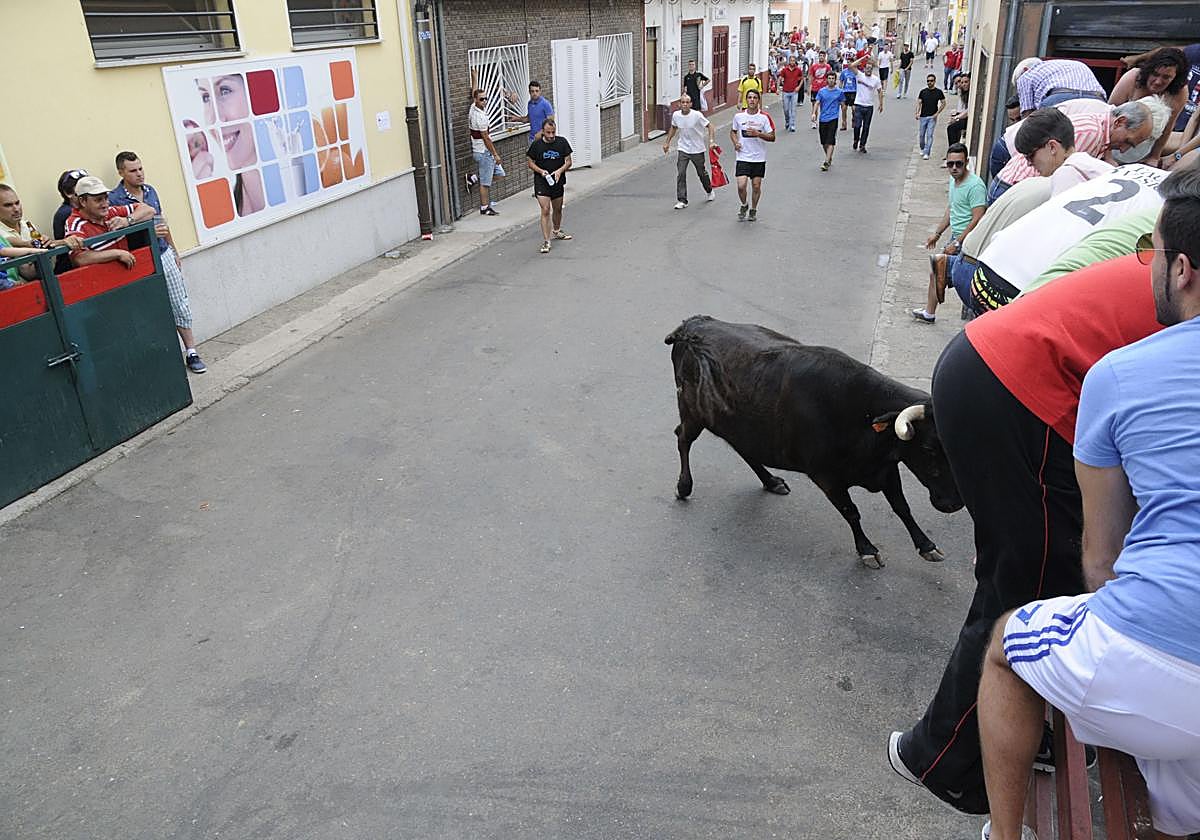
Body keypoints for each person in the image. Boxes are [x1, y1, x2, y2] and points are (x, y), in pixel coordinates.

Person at [976, 165, 1200, 840]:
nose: (1147, 266)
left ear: (1183, 268)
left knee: (1003, 647)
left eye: (1150, 253)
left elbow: (1103, 560)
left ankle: (1004, 837)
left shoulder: (1122, 374)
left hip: (1157, 658)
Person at [970, 164, 1168, 312]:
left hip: (988, 264)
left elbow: (1075, 160)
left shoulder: (1131, 168)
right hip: (1025, 288)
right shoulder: (1170, 206)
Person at [109, 151, 206, 374]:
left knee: (178, 300)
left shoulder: (150, 191)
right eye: (133, 171)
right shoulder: (114, 199)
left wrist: (174, 249)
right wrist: (136, 225)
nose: (139, 174)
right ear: (121, 172)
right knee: (149, 307)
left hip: (163, 253)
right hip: (139, 259)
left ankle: (191, 351)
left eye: (140, 168)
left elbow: (161, 220)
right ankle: (162, 355)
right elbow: (117, 234)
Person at [990, 99, 1170, 202]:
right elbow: (1060, 183)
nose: (1123, 150)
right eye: (1128, 142)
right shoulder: (1091, 132)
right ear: (1119, 122)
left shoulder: (1098, 130)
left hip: (1013, 186)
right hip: (1013, 188)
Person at [912, 143, 986, 321]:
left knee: (958, 278)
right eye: (950, 164)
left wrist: (957, 243)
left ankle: (935, 313)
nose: (954, 168)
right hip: (957, 237)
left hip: (969, 242)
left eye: (958, 164)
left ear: (966, 162)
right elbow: (952, 209)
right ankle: (930, 312)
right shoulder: (954, 181)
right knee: (937, 271)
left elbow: (978, 219)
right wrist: (937, 233)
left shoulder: (975, 186)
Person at [1108, 48, 1190, 164]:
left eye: (1166, 77)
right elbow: (1108, 115)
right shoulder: (1132, 77)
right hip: (1115, 142)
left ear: (1175, 78)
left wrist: (1154, 157)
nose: (1157, 81)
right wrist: (1106, 154)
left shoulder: (1180, 92)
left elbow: (1168, 128)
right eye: (1155, 74)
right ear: (1148, 70)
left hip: (1143, 148)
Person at [65, 175, 154, 270]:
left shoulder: (112, 211)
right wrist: (117, 253)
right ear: (82, 201)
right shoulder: (75, 223)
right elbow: (80, 258)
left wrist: (127, 220)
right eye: (98, 200)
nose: (105, 204)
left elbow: (149, 210)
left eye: (106, 198)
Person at [525, 117, 573, 254]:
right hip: (542, 181)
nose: (551, 136)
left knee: (557, 209)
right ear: (543, 132)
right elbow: (529, 162)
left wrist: (560, 170)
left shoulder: (562, 142)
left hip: (557, 181)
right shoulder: (536, 145)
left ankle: (556, 230)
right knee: (545, 209)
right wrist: (541, 171)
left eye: (553, 132)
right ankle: (547, 241)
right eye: (548, 133)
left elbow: (568, 161)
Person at [662, 93, 715, 209]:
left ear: (691, 104)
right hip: (683, 148)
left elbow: (710, 126)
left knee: (701, 173)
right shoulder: (676, 115)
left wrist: (711, 141)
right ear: (679, 104)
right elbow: (673, 128)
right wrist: (667, 142)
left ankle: (709, 190)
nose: (685, 104)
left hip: (697, 149)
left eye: (687, 102)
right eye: (683, 102)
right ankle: (682, 200)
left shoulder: (697, 115)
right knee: (681, 173)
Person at [730, 88, 775, 221]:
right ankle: (744, 205)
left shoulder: (764, 118)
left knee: (756, 186)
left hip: (758, 158)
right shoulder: (739, 117)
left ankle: (753, 209)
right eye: (749, 97)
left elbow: (772, 137)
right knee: (741, 186)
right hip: (743, 156)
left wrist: (758, 134)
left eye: (755, 98)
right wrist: (735, 142)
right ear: (746, 99)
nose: (752, 100)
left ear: (758, 101)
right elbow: (732, 132)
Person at [1012, 57, 1106, 116]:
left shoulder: (1026, 75)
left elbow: (1027, 114)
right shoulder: (1074, 64)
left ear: (1025, 70)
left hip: (1060, 99)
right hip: (1097, 101)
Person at [467, 88, 506, 216]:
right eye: (481, 99)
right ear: (476, 100)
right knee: (485, 183)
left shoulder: (473, 108)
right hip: (484, 152)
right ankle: (484, 207)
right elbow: (486, 138)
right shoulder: (479, 117)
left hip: (482, 152)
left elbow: (475, 90)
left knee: (500, 174)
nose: (485, 101)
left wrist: (474, 77)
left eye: (486, 98)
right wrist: (495, 154)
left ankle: (473, 178)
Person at [815, 72, 845, 172]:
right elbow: (817, 102)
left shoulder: (839, 92)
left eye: (833, 78)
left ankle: (826, 162)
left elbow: (842, 104)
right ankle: (829, 156)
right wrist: (814, 113)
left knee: (831, 140)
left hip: (833, 118)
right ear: (826, 80)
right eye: (829, 78)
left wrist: (844, 119)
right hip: (823, 118)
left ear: (835, 80)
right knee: (824, 142)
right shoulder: (822, 91)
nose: (831, 80)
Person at [852, 59, 883, 152]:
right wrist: (864, 57)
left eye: (870, 68)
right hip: (859, 104)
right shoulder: (859, 75)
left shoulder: (876, 79)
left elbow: (880, 91)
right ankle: (856, 139)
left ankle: (862, 145)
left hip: (869, 106)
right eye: (867, 68)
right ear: (864, 69)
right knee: (857, 125)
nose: (868, 70)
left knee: (866, 127)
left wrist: (881, 103)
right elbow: (852, 66)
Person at [916, 74, 946, 160]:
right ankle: (922, 148)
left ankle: (927, 152)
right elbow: (919, 102)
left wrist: (937, 113)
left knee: (929, 135)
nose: (930, 82)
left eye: (931, 81)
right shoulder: (923, 92)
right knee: (921, 135)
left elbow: (943, 103)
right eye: (928, 81)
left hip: (932, 117)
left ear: (934, 81)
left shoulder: (938, 92)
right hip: (923, 116)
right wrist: (917, 113)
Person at [779, 54, 806, 131]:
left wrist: (798, 87)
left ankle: (792, 124)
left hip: (794, 92)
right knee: (786, 109)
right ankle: (787, 121)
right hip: (785, 91)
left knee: (793, 109)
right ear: (789, 61)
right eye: (791, 60)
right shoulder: (785, 70)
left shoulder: (798, 70)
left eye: (794, 61)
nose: (792, 62)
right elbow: (780, 78)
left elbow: (802, 79)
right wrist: (778, 88)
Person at [946, 72, 971, 146]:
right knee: (952, 126)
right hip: (963, 116)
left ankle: (953, 149)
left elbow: (968, 110)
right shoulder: (962, 92)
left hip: (968, 117)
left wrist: (956, 117)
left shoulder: (969, 93)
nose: (962, 84)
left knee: (951, 128)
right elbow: (961, 109)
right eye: (957, 83)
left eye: (965, 82)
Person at [809, 51, 833, 128]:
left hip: (824, 88)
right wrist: (809, 87)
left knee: (824, 105)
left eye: (823, 56)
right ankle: (814, 121)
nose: (821, 57)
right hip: (815, 88)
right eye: (820, 56)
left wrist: (830, 87)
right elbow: (811, 77)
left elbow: (830, 76)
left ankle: (823, 120)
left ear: (825, 57)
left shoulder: (827, 66)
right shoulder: (814, 66)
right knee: (814, 105)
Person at [838, 60, 858, 131]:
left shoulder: (855, 72)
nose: (849, 63)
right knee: (844, 108)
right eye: (848, 62)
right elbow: (841, 81)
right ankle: (844, 124)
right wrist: (839, 90)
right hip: (845, 92)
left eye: (851, 62)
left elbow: (858, 82)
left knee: (854, 109)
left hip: (853, 92)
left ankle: (854, 120)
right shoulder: (844, 72)